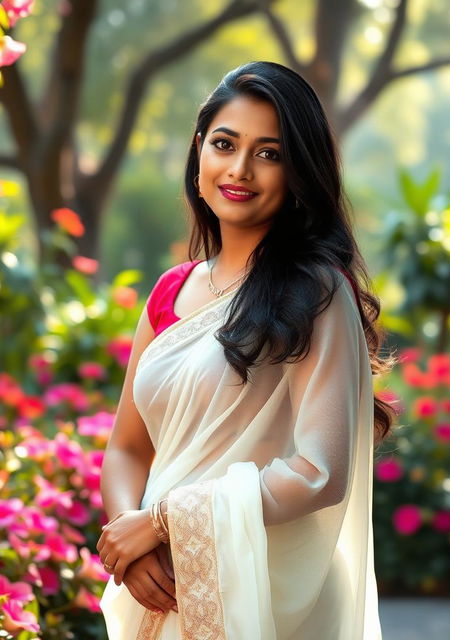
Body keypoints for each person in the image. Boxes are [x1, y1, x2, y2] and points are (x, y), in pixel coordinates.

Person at [97, 60, 396, 639]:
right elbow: (128, 448)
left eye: (269, 153)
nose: (239, 169)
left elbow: (320, 473)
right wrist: (129, 542)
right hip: (162, 582)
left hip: (269, 590)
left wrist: (160, 523)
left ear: (299, 170)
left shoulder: (314, 292)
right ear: (199, 151)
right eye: (224, 144)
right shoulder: (170, 292)